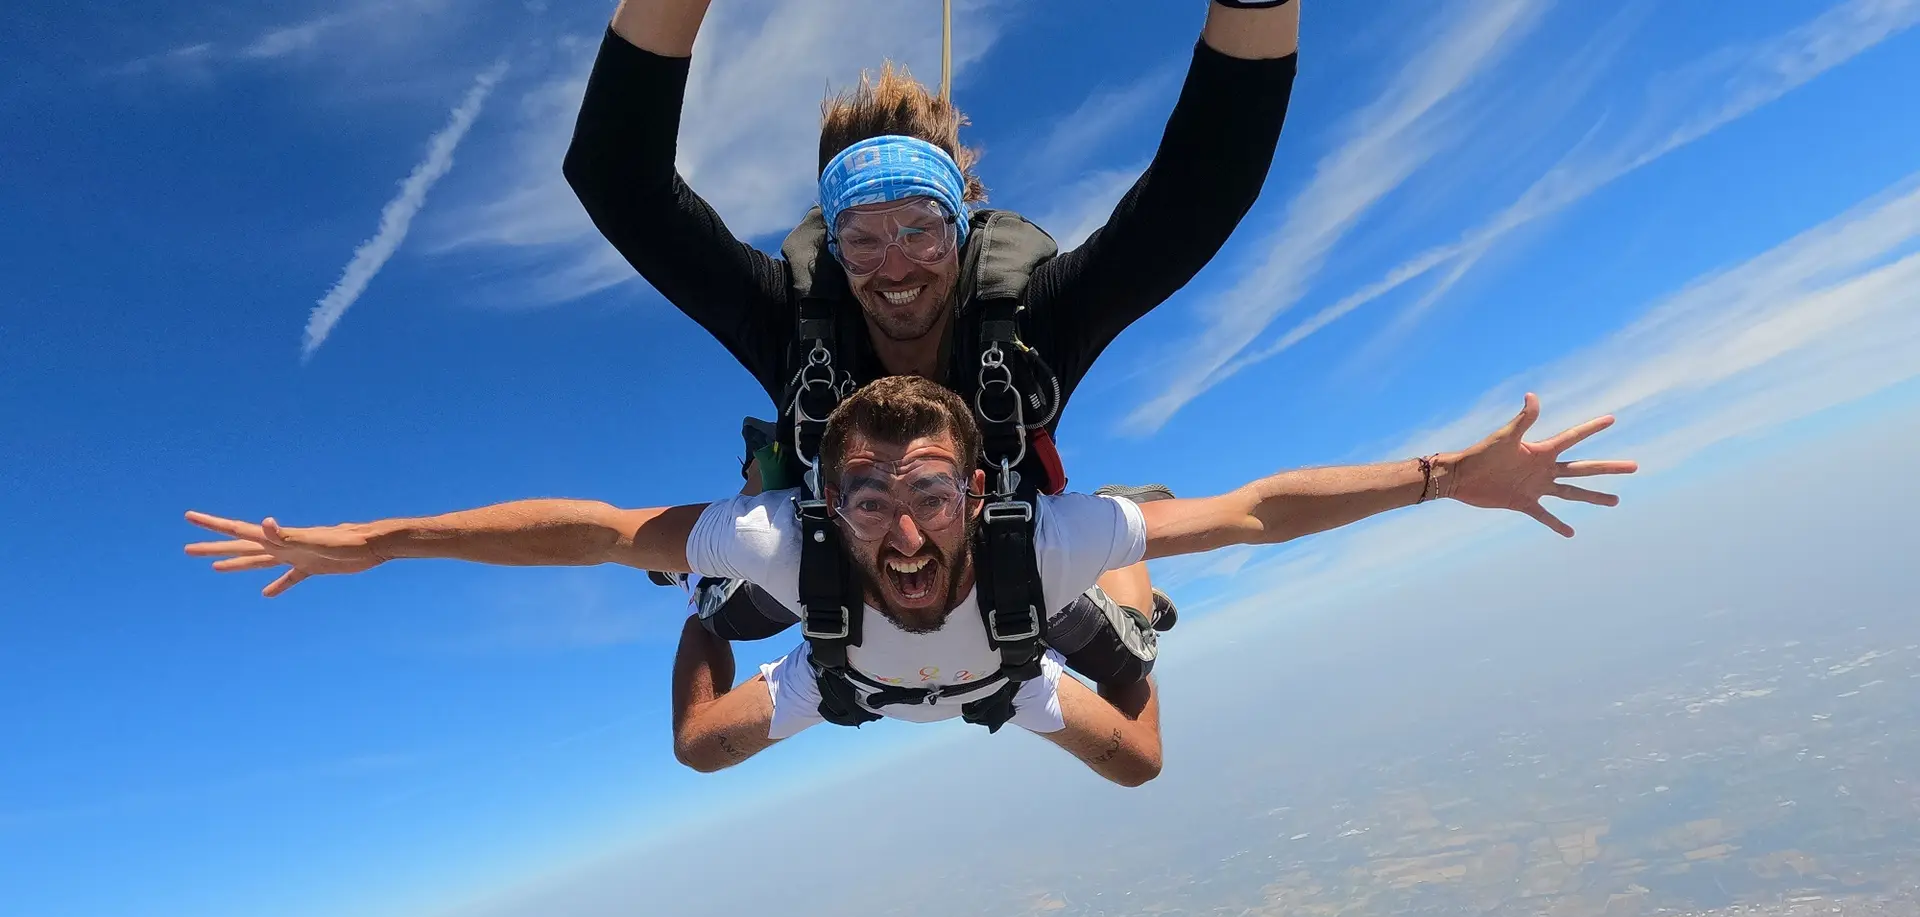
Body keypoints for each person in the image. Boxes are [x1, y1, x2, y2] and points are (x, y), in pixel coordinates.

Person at [183, 378, 1637, 787]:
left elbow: (1254, 510)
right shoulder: (786, 549)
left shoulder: (1033, 539)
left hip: (999, 673)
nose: (901, 527)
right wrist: (368, 545)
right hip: (851, 680)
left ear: (977, 490)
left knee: (1142, 766)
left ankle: (1126, 620)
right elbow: (585, 527)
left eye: (930, 491)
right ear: (824, 501)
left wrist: (1447, 477)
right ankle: (706, 624)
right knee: (698, 747)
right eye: (867, 496)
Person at [560, 0, 1303, 716]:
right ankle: (755, 491)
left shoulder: (1030, 321)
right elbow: (618, 182)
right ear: (832, 243)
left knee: (1125, 659)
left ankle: (1122, 535)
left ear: (962, 222)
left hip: (1000, 547)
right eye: (861, 239)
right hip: (840, 542)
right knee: (723, 614)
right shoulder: (791, 321)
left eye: (921, 230)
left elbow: (1199, 192)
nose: (894, 269)